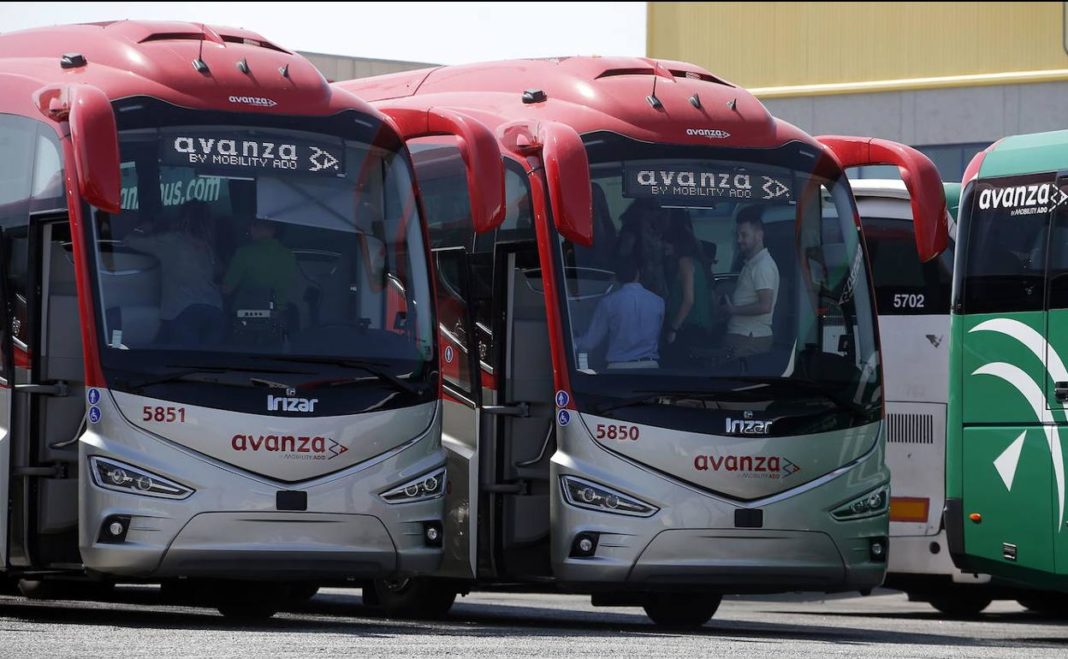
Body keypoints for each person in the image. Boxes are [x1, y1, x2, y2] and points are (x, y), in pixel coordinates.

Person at [126, 201, 224, 346]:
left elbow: (129, 241)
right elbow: (220, 270)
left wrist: (142, 229)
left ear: (179, 218)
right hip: (215, 310)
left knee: (186, 361)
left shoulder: (171, 241)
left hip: (182, 310)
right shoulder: (206, 246)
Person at [575, 256, 665, 369]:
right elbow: (657, 337)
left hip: (618, 368)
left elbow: (591, 342)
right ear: (638, 273)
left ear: (616, 277)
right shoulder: (658, 302)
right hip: (650, 366)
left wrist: (573, 341)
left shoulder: (608, 303)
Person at [722, 206, 780, 358]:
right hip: (745, 335)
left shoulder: (763, 266)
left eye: (744, 235)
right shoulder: (753, 263)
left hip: (749, 337)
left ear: (759, 235)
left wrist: (733, 310)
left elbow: (765, 305)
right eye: (737, 235)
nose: (739, 240)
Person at [662, 211, 713, 362]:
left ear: (675, 242)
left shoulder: (684, 262)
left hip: (688, 330)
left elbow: (688, 299)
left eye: (666, 240)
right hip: (700, 329)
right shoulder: (699, 263)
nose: (662, 245)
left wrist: (673, 328)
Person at [222, 216, 299, 311]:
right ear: (274, 229)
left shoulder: (244, 253)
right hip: (279, 312)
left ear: (253, 228)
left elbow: (227, 289)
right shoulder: (289, 255)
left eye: (251, 226)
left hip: (248, 313)